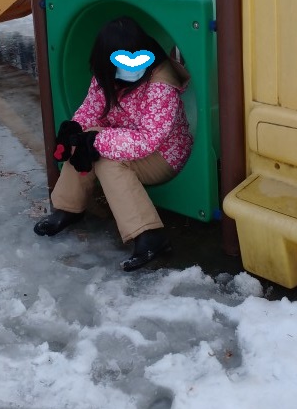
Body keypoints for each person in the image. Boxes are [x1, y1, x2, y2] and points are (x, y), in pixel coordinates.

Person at [34, 15, 193, 271]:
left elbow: (148, 140)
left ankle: (148, 235)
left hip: (164, 155)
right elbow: (91, 110)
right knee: (83, 140)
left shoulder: (161, 84)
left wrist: (96, 140)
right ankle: (68, 207)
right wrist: (74, 131)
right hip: (123, 139)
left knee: (106, 159)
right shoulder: (108, 74)